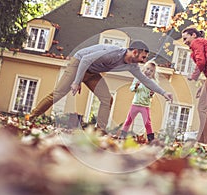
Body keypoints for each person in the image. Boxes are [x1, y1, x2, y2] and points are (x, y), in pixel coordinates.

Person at [29, 40, 173, 133]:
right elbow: (85, 59)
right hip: (78, 64)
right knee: (57, 94)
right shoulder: (112, 53)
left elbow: (146, 80)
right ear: (134, 52)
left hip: (93, 73)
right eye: (143, 57)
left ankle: (99, 132)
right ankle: (31, 118)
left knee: (107, 99)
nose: (144, 61)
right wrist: (77, 81)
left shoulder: (133, 65)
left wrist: (163, 92)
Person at [119, 61, 157, 142]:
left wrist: (151, 94)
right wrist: (136, 85)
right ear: (144, 69)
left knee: (147, 123)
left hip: (145, 105)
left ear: (153, 73)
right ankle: (122, 135)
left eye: (151, 71)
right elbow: (132, 89)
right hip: (135, 104)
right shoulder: (137, 78)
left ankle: (151, 139)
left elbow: (151, 95)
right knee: (129, 120)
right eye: (147, 69)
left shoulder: (152, 82)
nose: (149, 71)